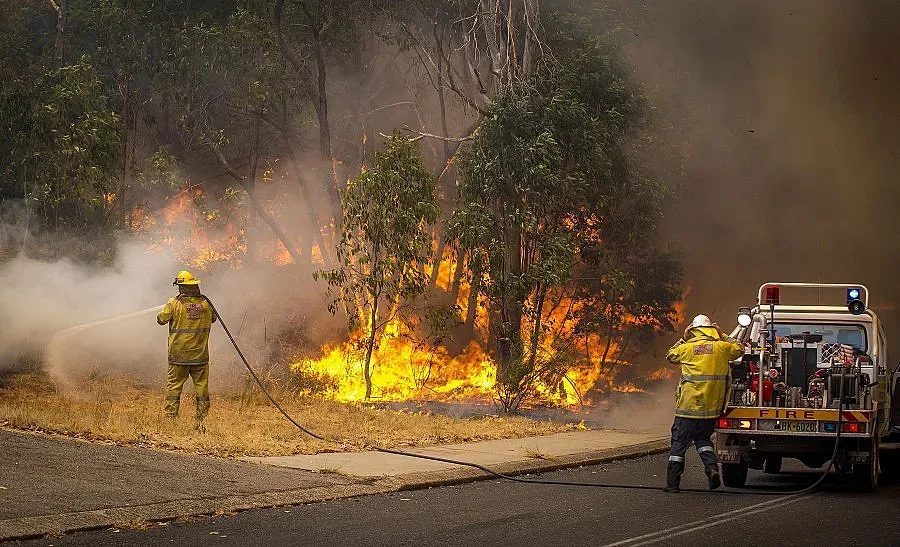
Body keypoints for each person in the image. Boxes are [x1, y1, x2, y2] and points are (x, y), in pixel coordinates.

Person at [663, 314, 744, 493]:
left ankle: (672, 484)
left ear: (694, 329)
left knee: (679, 444)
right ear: (710, 329)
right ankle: (712, 469)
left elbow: (670, 355)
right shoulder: (722, 347)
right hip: (710, 410)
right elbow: (739, 349)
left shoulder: (687, 348)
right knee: (703, 440)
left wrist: (684, 337)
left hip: (687, 408)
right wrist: (723, 335)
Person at [157, 270, 216, 427]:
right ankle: (201, 419)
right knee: (202, 388)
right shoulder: (206, 304)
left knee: (174, 386)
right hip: (200, 356)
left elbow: (160, 319)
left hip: (179, 356)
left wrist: (169, 306)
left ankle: (170, 418)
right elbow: (214, 319)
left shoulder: (174, 303)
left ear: (182, 288)